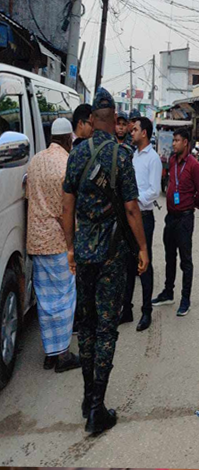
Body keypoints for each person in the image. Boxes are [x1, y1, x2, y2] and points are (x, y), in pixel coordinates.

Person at [61, 87, 149, 436]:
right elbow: (130, 208)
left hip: (83, 252)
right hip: (112, 253)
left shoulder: (77, 154)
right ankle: (97, 408)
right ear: (114, 120)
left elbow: (66, 207)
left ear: (91, 120)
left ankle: (87, 398)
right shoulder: (121, 156)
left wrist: (70, 247)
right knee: (106, 328)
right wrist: (142, 248)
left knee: (86, 325)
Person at [26, 117, 81, 373]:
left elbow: (28, 194)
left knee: (46, 301)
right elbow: (65, 210)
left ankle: (50, 352)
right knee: (64, 298)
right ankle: (62, 356)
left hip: (36, 240)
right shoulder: (66, 163)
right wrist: (72, 245)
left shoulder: (35, 160)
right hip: (58, 240)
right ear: (69, 138)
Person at [153, 128, 199, 317]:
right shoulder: (172, 161)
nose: (173, 143)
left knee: (185, 260)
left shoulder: (194, 165)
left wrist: (190, 206)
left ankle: (185, 298)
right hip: (171, 217)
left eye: (176, 140)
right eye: (173, 140)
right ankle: (168, 292)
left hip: (184, 217)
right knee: (169, 257)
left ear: (186, 143)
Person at [122, 116, 161, 332]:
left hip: (143, 216)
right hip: (130, 216)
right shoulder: (134, 155)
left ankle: (146, 311)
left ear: (144, 132)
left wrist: (135, 201)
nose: (131, 132)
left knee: (144, 263)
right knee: (129, 263)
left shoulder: (152, 158)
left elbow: (154, 191)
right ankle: (126, 309)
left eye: (135, 129)